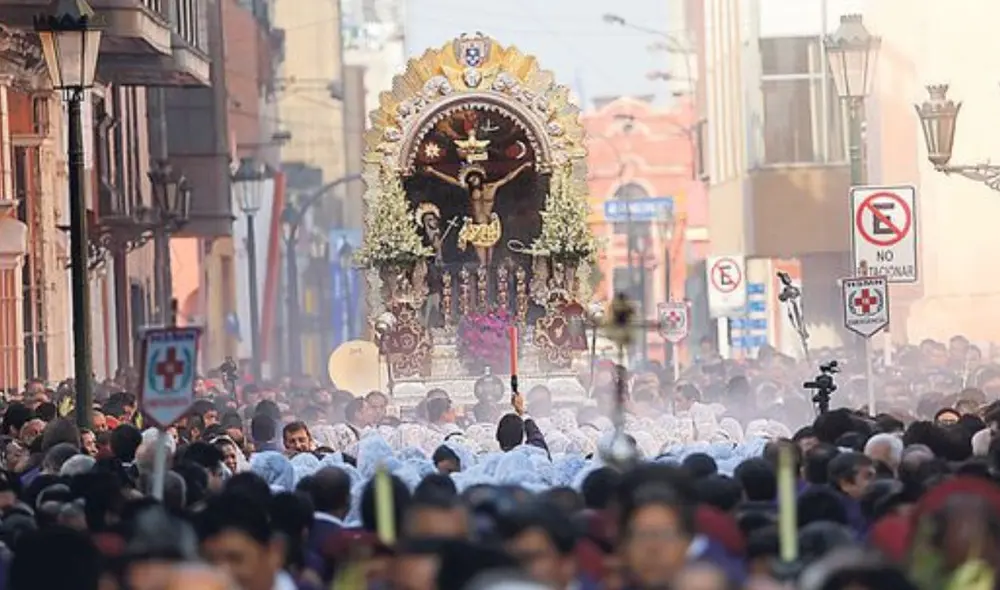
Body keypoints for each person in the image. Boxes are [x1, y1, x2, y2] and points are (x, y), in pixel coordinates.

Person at [424, 161, 532, 265]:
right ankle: (483, 280)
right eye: (470, 179)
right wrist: (434, 171)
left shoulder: (491, 187)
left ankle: (490, 281)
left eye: (474, 177)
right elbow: (452, 180)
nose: (472, 180)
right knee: (482, 262)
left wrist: (522, 166)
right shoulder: (469, 190)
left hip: (490, 227)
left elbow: (508, 178)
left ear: (480, 176)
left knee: (490, 260)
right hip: (477, 228)